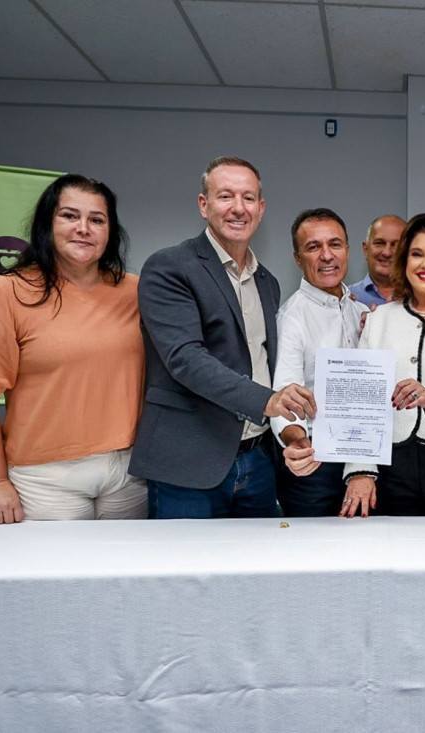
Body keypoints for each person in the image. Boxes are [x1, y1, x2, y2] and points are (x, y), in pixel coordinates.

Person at [0, 174, 145, 523]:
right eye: (69, 216)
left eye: (96, 219)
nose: (83, 228)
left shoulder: (137, 292)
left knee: (125, 578)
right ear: (46, 224)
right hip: (46, 480)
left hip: (129, 473)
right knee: (58, 578)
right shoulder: (3, 293)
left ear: (110, 232)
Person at [130, 156, 314, 519]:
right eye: (225, 196)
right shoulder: (169, 267)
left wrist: (291, 429)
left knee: (258, 573)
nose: (238, 208)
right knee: (184, 574)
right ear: (204, 205)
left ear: (261, 209)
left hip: (258, 461)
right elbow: (185, 358)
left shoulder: (268, 283)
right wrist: (269, 400)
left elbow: (264, 364)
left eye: (248, 198)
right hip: (189, 464)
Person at [304, 213, 425, 517]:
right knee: (393, 556)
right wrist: (361, 471)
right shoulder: (378, 319)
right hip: (392, 468)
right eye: (417, 254)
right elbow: (360, 402)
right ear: (404, 261)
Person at [272, 208, 368, 516]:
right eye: (314, 247)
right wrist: (296, 440)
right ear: (298, 259)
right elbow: (285, 393)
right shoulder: (292, 317)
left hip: (363, 458)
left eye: (335, 244)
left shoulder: (361, 312)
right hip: (314, 463)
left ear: (348, 250)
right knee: (312, 554)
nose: (327, 255)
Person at [348, 214, 406, 308]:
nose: (387, 253)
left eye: (396, 245)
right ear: (366, 249)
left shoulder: (421, 299)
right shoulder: (347, 299)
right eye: (379, 243)